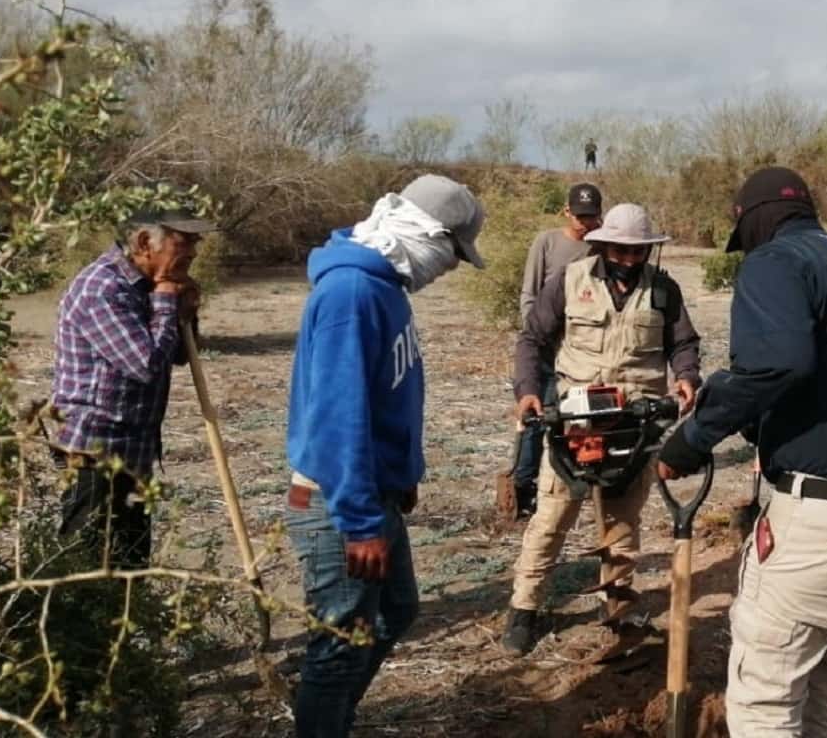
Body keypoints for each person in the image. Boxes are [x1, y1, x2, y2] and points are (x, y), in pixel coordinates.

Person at [657, 167, 827, 737]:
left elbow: (775, 365)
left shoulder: (777, 262)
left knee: (765, 699)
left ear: (755, 221)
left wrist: (690, 440)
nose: (746, 253)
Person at [285, 174, 485, 738]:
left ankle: (333, 720)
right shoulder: (352, 293)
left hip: (377, 492)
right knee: (337, 649)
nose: (448, 267)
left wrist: (403, 474)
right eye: (451, 253)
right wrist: (358, 521)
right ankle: (324, 723)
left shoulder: (384, 288)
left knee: (397, 611)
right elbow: (337, 418)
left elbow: (386, 391)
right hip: (338, 503)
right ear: (425, 233)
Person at [503, 203, 701, 655]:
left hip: (634, 425)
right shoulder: (570, 281)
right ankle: (523, 609)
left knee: (621, 525)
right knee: (551, 519)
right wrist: (528, 391)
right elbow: (532, 339)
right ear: (603, 244)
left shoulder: (664, 291)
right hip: (575, 422)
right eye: (620, 250)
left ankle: (616, 608)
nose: (629, 260)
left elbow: (684, 343)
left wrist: (687, 375)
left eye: (638, 252)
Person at [50, 206, 214, 568]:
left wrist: (185, 310)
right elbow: (146, 365)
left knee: (129, 567)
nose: (194, 252)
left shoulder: (149, 285)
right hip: (96, 454)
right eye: (184, 242)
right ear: (144, 242)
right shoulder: (103, 288)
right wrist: (167, 298)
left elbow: (179, 356)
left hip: (134, 451)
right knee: (87, 569)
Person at [502, 182, 604, 518]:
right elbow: (529, 294)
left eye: (591, 216)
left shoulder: (601, 246)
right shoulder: (547, 242)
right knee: (536, 417)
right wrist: (537, 336)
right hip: (546, 346)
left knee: (580, 417)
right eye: (579, 216)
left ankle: (578, 481)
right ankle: (523, 485)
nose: (584, 223)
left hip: (582, 352)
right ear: (566, 211)